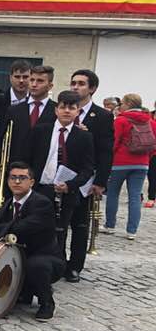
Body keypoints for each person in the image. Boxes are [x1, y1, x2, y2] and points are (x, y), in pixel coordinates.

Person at [0, 163, 64, 319]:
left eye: (22, 178)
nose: (17, 182)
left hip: (46, 258)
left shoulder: (42, 203)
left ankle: (47, 303)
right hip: (21, 256)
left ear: (31, 182)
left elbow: (20, 227)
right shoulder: (10, 201)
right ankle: (26, 292)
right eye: (13, 177)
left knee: (36, 266)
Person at [26, 90, 94, 252]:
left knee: (60, 231)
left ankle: (57, 263)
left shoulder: (84, 137)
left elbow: (88, 168)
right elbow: (28, 157)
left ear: (77, 111)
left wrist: (71, 185)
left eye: (71, 108)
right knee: (34, 227)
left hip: (66, 192)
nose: (67, 111)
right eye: (63, 107)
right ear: (56, 110)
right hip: (40, 188)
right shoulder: (41, 130)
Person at [65, 69, 114, 281]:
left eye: (81, 84)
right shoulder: (61, 109)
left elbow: (105, 150)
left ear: (92, 89)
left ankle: (75, 266)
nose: (76, 87)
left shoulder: (102, 116)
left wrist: (101, 181)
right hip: (62, 174)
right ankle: (56, 261)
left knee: (79, 224)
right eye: (73, 83)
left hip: (86, 177)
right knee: (57, 223)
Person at [103, 93, 156, 240]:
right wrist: (146, 158)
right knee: (135, 196)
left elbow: (115, 141)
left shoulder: (120, 120)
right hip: (142, 163)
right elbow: (153, 145)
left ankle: (110, 225)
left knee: (113, 193)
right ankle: (132, 231)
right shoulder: (151, 121)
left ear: (127, 104)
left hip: (120, 162)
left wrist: (109, 158)